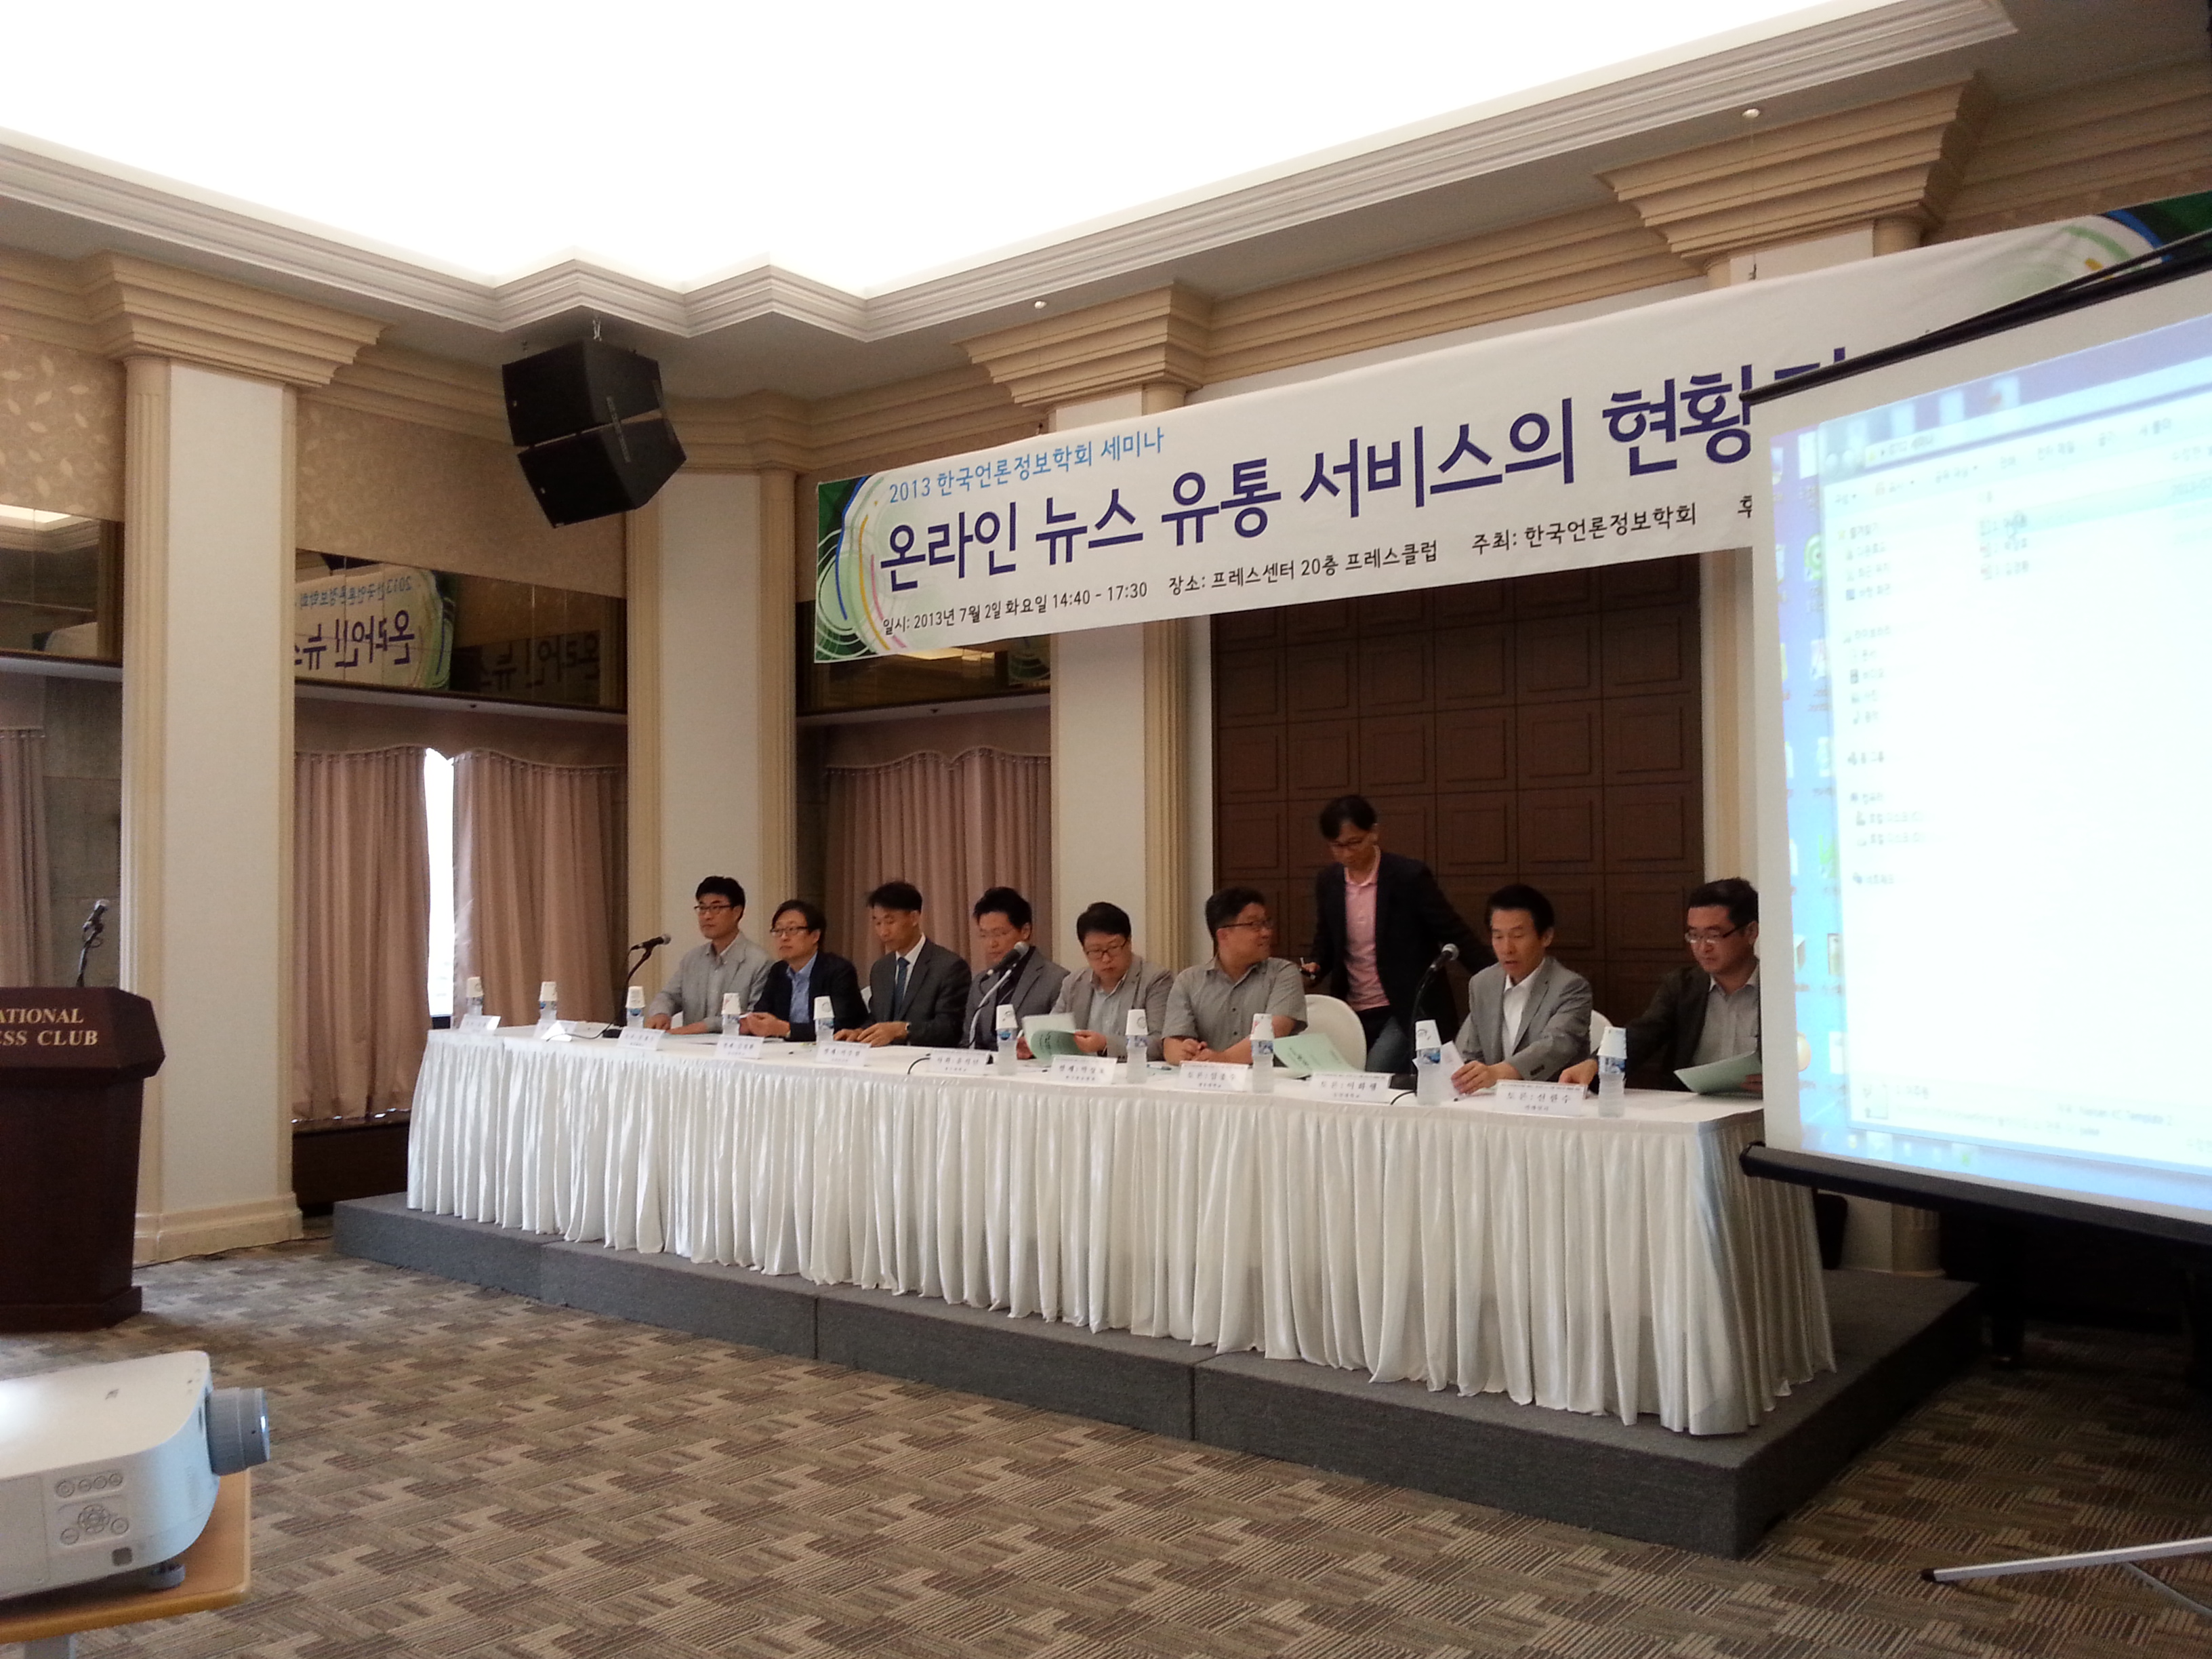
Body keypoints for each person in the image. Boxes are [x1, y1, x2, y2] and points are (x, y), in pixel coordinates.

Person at [1301, 794, 1486, 1072]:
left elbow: (1453, 931)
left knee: (1375, 1072)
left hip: (1404, 1006)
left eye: (1354, 843)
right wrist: (1314, 966)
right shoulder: (1329, 881)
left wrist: (1495, 977)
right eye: (1337, 846)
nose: (1347, 854)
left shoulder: (1408, 877)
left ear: (1374, 833)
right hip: (1352, 1008)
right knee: (1343, 1076)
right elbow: (1327, 939)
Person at [1561, 878, 1761, 1092]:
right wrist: (1595, 1063)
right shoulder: (1683, 986)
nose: (1703, 947)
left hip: (1766, 1106)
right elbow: (1643, 1035)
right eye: (1694, 936)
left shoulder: (1782, 989)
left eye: (1714, 935)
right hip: (1694, 1104)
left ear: (1751, 932)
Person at [1450, 883, 1591, 1091]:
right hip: (1493, 1102)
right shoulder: (1482, 984)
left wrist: (1497, 1073)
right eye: (1498, 936)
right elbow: (1472, 1053)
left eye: (1517, 936)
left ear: (1546, 937)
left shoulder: (1571, 987)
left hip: (1550, 1100)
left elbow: (1555, 1046)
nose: (1507, 948)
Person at [1163, 886, 1306, 1065]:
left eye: (1266, 923)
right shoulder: (1189, 981)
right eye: (1254, 925)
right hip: (1208, 1077)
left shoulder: (1283, 973)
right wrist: (1185, 1052)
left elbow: (1275, 1031)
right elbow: (1172, 1043)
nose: (1266, 933)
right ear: (1224, 935)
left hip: (1269, 1077)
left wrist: (1224, 1059)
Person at [1034, 901, 1174, 1061]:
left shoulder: (1156, 980)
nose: (1106, 959)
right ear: (1084, 950)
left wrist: (1106, 1044)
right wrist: (1034, 1044)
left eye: (1113, 948)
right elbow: (1053, 1030)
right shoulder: (1073, 983)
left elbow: (1160, 1043)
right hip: (1082, 1071)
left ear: (1129, 942)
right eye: (1095, 951)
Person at [842, 880, 972, 1048]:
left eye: (890, 922)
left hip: (925, 1059)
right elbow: (877, 1019)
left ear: (914, 918)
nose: (883, 932)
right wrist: (860, 1033)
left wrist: (904, 1030)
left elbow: (951, 1028)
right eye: (877, 923)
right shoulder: (881, 968)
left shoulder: (949, 967)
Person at [646, 876, 771, 1033]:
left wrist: (706, 1026)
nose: (707, 916)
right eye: (702, 908)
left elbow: (755, 1017)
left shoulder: (759, 962)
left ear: (737, 912)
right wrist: (661, 1013)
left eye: (716, 908)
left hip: (734, 1045)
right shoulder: (692, 959)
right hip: (690, 1045)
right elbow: (669, 996)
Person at [739, 899, 867, 1042]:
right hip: (788, 1049)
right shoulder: (779, 970)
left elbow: (841, 1025)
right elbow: (763, 1012)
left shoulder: (838, 970)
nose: (784, 937)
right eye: (778, 931)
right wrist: (752, 1023)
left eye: (792, 930)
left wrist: (785, 1029)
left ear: (815, 936)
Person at [960, 886, 1068, 1048]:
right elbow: (969, 1040)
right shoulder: (983, 982)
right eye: (984, 935)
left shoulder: (1058, 980)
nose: (991, 943)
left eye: (999, 934)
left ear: (1025, 931)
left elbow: (1058, 1045)